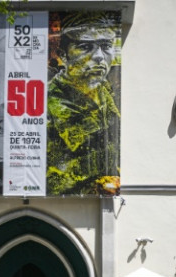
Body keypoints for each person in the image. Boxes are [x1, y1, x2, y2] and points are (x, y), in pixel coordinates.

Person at [47, 12, 121, 195]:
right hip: (68, 196)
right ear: (63, 55)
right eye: (85, 46)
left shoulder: (102, 88)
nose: (99, 57)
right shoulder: (54, 98)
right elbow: (91, 143)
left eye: (106, 46)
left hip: (105, 189)